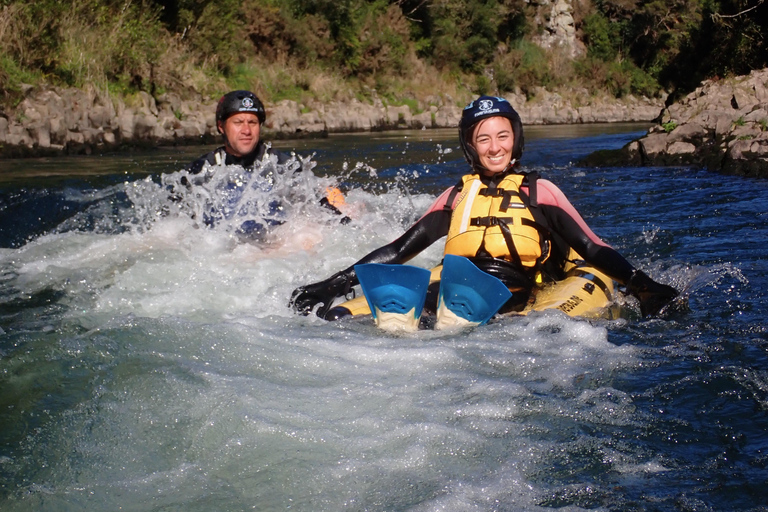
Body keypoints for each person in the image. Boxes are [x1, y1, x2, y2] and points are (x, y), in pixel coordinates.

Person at [289, 95, 678, 320]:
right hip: (451, 292)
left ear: (515, 139)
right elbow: (399, 250)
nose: (495, 147)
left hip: (518, 297)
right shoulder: (457, 196)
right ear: (471, 146)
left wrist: (643, 286)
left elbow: (592, 248)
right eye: (484, 139)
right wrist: (335, 283)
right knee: (338, 318)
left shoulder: (540, 192)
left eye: (503, 136)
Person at [180, 90, 347, 233]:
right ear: (221, 127)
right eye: (238, 122)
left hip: (275, 244)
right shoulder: (199, 171)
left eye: (252, 122)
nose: (246, 130)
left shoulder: (283, 166)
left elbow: (320, 209)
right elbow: (172, 224)